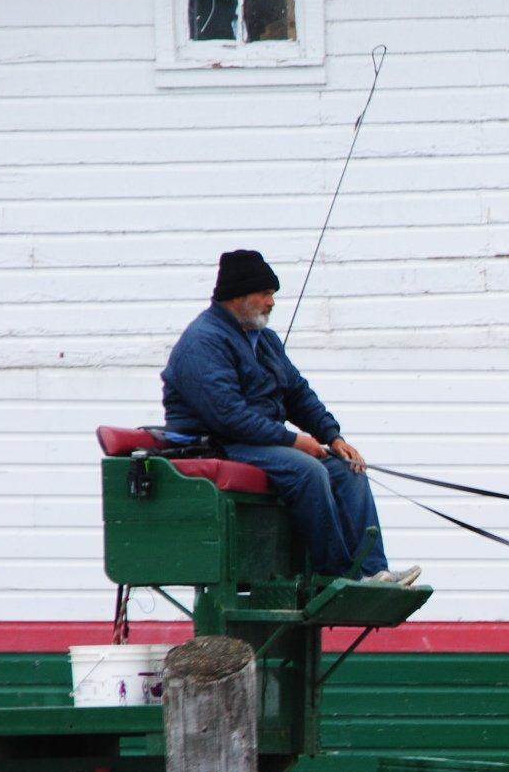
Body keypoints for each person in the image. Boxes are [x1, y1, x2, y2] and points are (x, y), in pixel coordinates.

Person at [161, 250, 420, 586]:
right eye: (266, 294)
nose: (272, 302)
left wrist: (333, 437)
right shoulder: (204, 341)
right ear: (238, 296)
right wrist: (293, 441)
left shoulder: (264, 340)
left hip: (259, 441)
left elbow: (298, 394)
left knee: (347, 470)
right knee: (307, 470)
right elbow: (227, 416)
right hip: (217, 443)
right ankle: (338, 575)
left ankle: (373, 571)